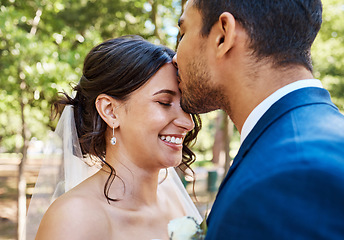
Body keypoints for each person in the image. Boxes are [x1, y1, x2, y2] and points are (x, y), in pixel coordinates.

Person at [173, 0, 344, 239]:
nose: (174, 58)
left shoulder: (292, 179)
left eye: (182, 33)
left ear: (223, 35)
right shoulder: (314, 138)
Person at [27, 36, 202, 240]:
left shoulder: (174, 199)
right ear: (110, 111)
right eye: (164, 102)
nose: (187, 123)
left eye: (186, 106)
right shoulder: (74, 218)